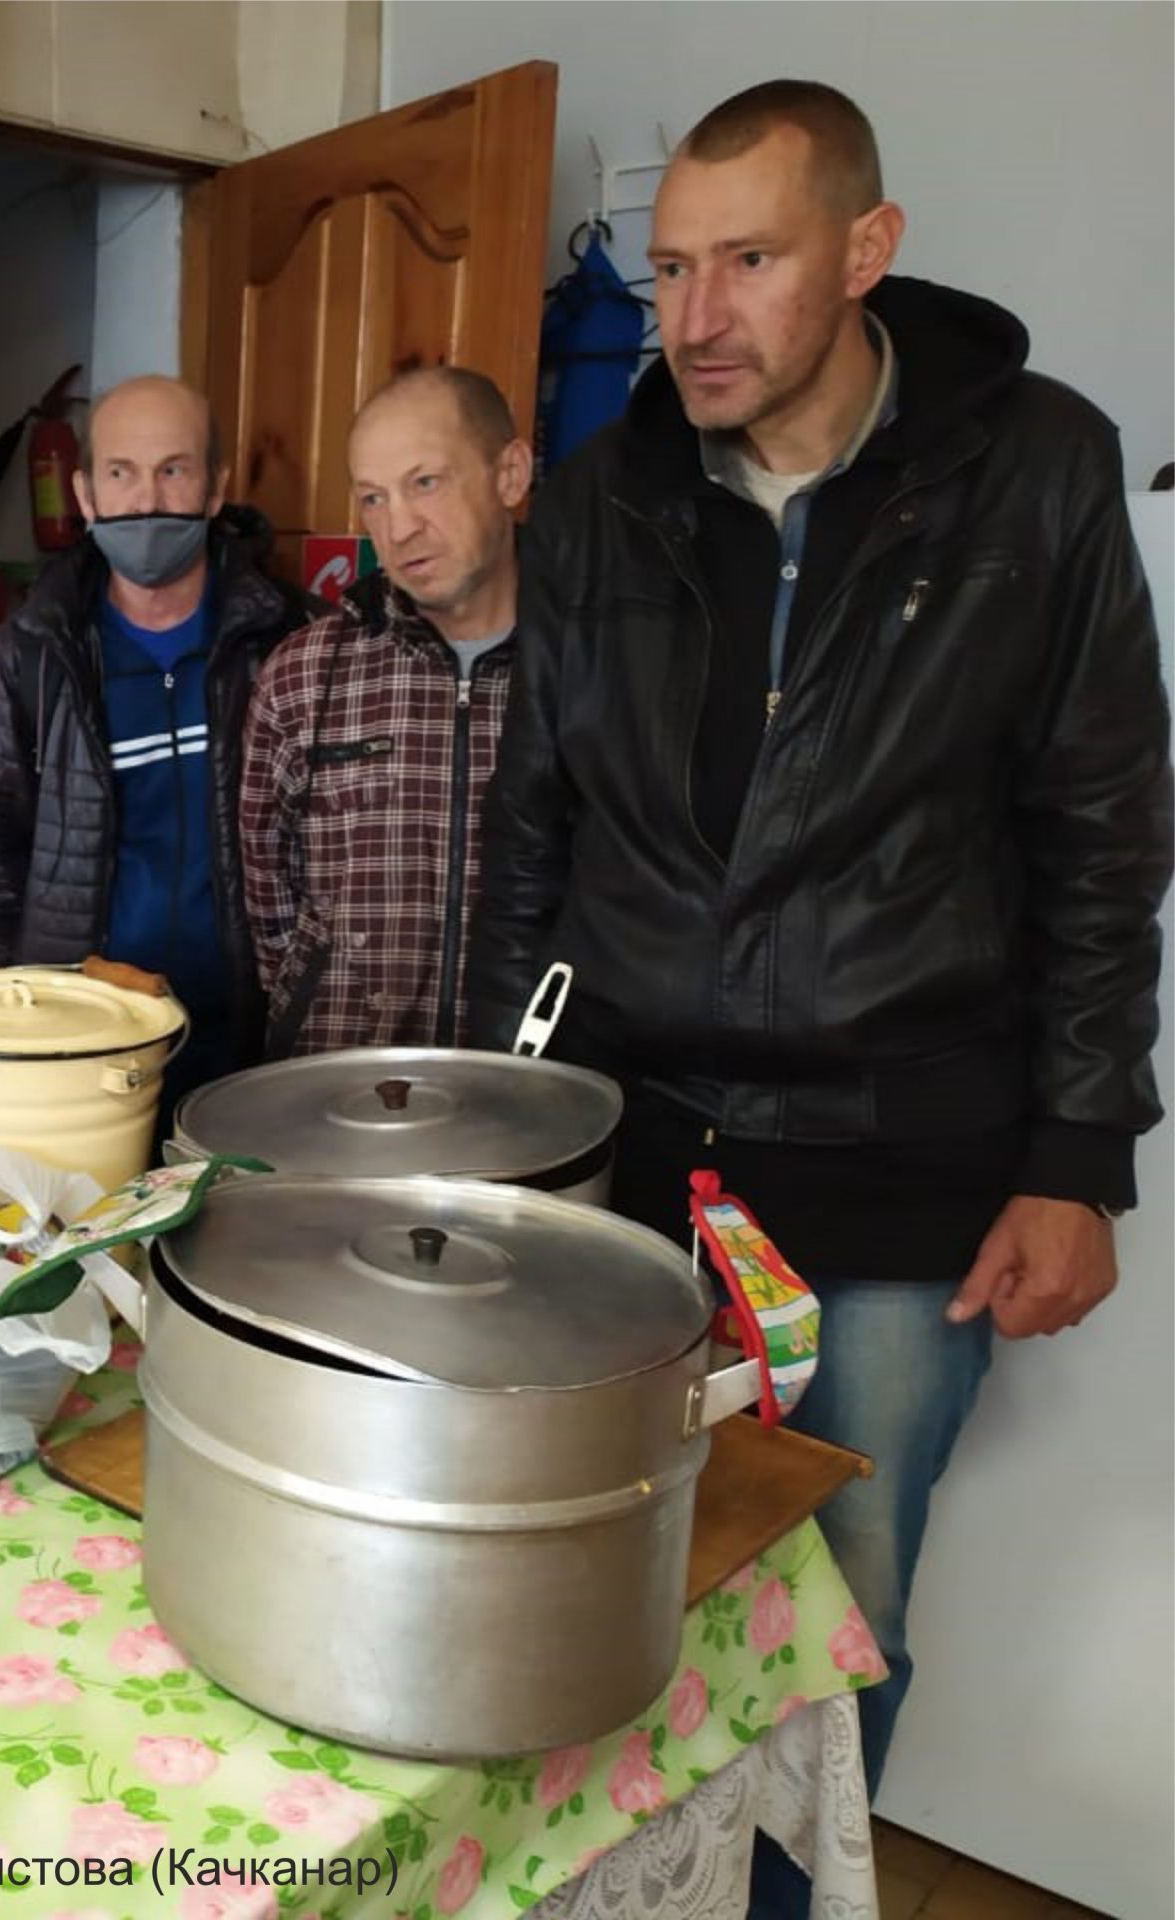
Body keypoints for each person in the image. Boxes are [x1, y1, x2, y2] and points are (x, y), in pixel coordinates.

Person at [467, 78, 1171, 1813]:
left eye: (751, 261)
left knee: (836, 1623)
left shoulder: (1037, 472)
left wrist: (1079, 1154)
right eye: (671, 272)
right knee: (588, 1597)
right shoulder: (600, 499)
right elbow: (531, 840)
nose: (695, 320)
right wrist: (500, 1138)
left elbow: (1104, 828)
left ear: (868, 249)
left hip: (895, 1178)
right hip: (627, 1174)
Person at [0, 374, 309, 1109]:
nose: (146, 499)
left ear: (215, 489)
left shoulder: (294, 643)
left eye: (173, 470)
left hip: (253, 1043)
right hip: (82, 1049)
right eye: (122, 473)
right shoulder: (25, 658)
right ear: (85, 495)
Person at [240, 366, 532, 1056]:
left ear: (511, 475)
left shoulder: (599, 666)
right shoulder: (304, 675)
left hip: (533, 1097)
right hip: (343, 1089)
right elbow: (266, 884)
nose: (398, 528)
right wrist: (311, 1000)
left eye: (425, 483)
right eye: (373, 498)